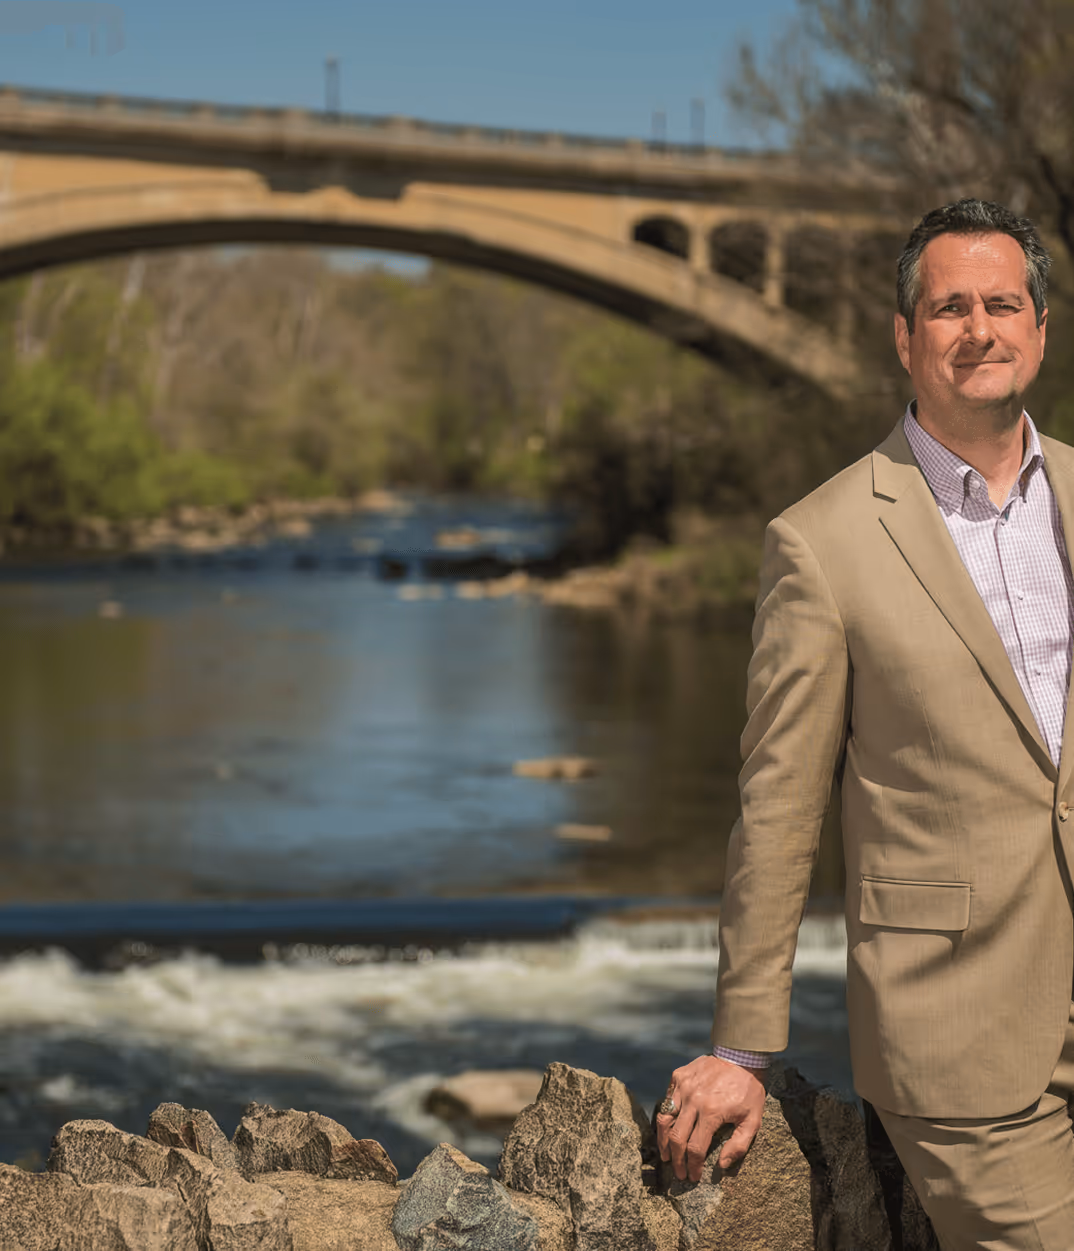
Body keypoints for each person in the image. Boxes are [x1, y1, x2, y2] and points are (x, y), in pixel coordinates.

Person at [655, 198, 1074, 1250]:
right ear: (905, 336)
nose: (979, 327)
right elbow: (780, 806)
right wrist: (743, 1047)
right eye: (949, 308)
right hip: (966, 1031)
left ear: (1040, 327)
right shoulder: (822, 542)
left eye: (1002, 303)